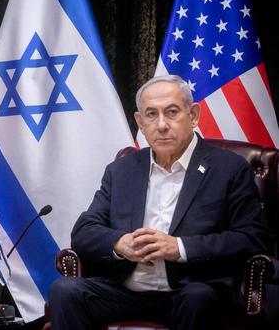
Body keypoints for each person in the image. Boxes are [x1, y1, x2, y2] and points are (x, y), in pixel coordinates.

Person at [48, 75, 272, 329]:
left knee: (197, 298)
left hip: (191, 291)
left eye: (172, 112)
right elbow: (84, 232)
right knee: (64, 291)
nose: (162, 125)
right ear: (140, 122)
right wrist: (120, 244)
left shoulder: (229, 169)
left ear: (194, 115)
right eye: (151, 115)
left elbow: (253, 238)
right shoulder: (121, 170)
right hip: (127, 291)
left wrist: (180, 248)